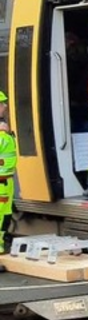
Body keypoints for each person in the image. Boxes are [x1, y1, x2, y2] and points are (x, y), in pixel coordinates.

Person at [0, 92, 15, 255]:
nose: (5, 106)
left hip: (6, 182)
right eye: (2, 103)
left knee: (5, 217)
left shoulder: (4, 128)